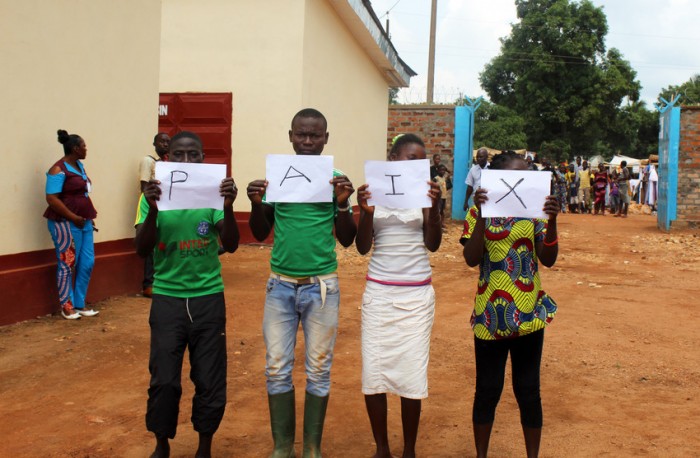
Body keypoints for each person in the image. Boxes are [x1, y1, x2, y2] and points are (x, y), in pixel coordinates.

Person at [246, 108, 357, 458]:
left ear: (326, 138)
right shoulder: (276, 177)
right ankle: (283, 448)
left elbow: (348, 239)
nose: (308, 141)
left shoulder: (336, 179)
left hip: (322, 287)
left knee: (319, 369)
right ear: (290, 136)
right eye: (301, 134)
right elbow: (262, 232)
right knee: (277, 367)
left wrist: (342, 205)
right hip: (279, 286)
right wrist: (255, 203)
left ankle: (312, 448)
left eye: (315, 135)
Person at [135, 131, 240, 458]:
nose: (185, 161)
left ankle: (204, 446)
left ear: (202, 159)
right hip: (168, 300)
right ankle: (161, 443)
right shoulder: (152, 197)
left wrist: (228, 206)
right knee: (164, 379)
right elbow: (142, 248)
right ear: (167, 160)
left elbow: (233, 243)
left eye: (193, 155)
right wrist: (153, 209)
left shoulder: (212, 195)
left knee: (209, 378)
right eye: (178, 155)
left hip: (208, 298)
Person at [460, 150, 560, 458]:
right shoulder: (478, 211)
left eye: (528, 175)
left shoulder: (535, 212)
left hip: (528, 310)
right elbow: (471, 258)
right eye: (518, 176)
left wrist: (552, 220)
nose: (525, 180)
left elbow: (548, 259)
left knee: (528, 390)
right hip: (489, 313)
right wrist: (481, 214)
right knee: (487, 390)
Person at [355, 134, 442, 458]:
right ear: (392, 159)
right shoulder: (372, 191)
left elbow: (432, 245)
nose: (419, 165)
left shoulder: (426, 194)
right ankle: (382, 449)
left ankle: (409, 450)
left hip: (416, 297)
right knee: (373, 374)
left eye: (422, 160)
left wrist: (432, 211)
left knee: (411, 376)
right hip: (378, 294)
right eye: (410, 158)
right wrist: (365, 213)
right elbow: (362, 247)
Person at [44, 129, 99, 320]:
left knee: (87, 262)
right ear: (76, 149)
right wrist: (72, 216)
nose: (86, 149)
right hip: (65, 223)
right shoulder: (58, 169)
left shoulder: (79, 166)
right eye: (84, 146)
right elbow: (51, 198)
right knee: (67, 262)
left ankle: (79, 303)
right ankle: (66, 306)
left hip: (84, 221)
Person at [139, 132, 171, 298]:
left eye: (168, 142)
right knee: (151, 246)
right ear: (154, 143)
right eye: (162, 141)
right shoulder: (149, 161)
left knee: (162, 243)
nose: (165, 144)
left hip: (165, 206)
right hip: (150, 206)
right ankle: (148, 284)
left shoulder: (166, 162)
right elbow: (144, 187)